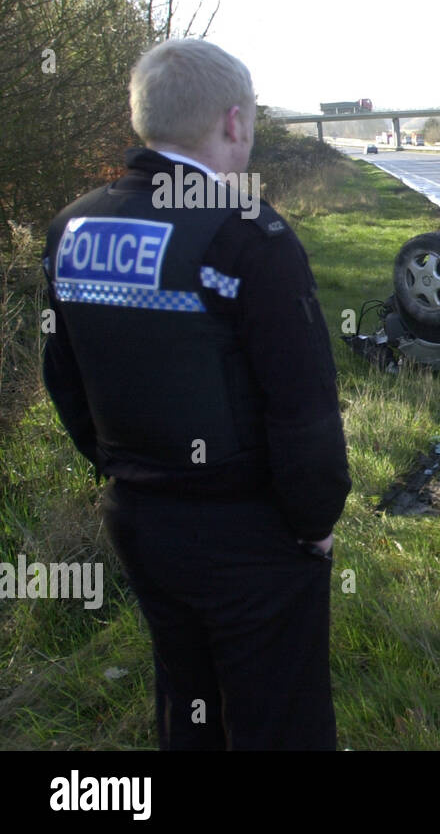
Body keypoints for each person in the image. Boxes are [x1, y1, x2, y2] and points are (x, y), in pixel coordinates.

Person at [41, 38, 351, 750]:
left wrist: (126, 467)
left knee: (188, 708)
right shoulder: (248, 233)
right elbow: (302, 406)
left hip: (141, 518)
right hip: (250, 531)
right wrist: (313, 521)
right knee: (280, 723)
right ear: (234, 121)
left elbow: (65, 381)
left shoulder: (73, 227)